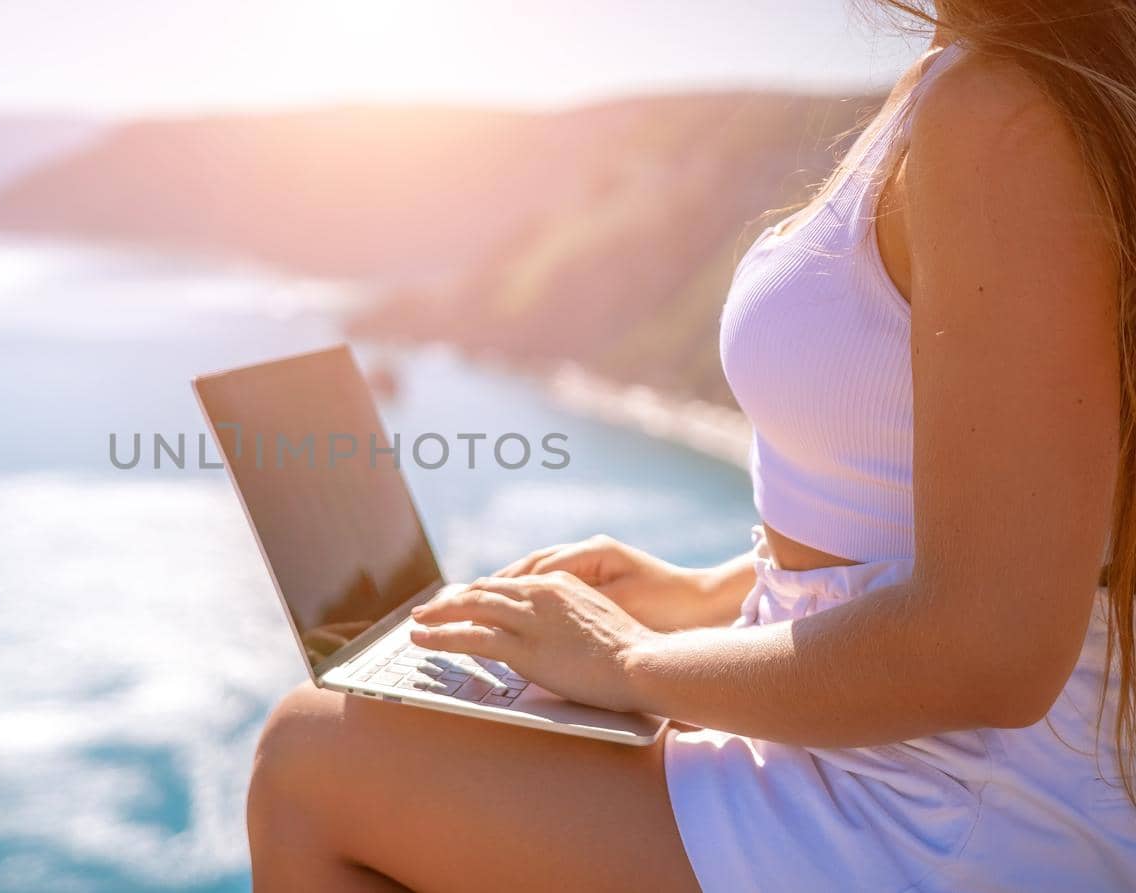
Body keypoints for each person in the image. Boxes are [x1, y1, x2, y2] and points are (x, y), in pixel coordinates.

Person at [245, 2, 1136, 889]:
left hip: (938, 809)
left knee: (308, 762)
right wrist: (696, 593)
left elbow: (993, 643)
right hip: (887, 759)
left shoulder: (1002, 115)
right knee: (380, 715)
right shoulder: (968, 83)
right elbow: (919, 514)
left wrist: (629, 663)